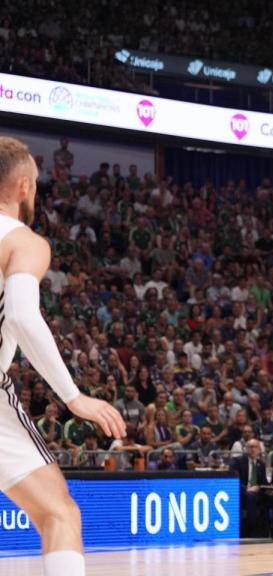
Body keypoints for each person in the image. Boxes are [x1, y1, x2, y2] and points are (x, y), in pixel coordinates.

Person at [0, 136, 126, 576]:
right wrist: (74, 397)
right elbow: (21, 314)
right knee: (59, 514)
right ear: (23, 185)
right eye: (35, 183)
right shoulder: (22, 240)